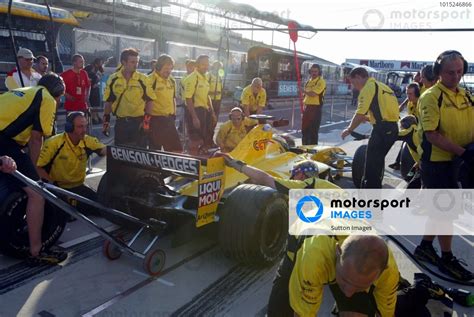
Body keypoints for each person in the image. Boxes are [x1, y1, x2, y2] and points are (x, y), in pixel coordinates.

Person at [414, 50, 474, 282]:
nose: (456, 76)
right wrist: (463, 153)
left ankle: (425, 246)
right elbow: (432, 135)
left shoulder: (465, 94)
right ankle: (447, 257)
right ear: (438, 72)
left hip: (460, 160)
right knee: (445, 210)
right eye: (450, 72)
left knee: (440, 210)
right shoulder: (430, 97)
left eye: (460, 71)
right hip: (438, 163)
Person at [0, 73, 67, 265]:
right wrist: (34, 172)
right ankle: (36, 251)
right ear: (57, 93)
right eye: (60, 97)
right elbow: (37, 138)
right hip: (5, 142)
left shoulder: (20, 91)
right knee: (36, 194)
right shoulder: (47, 98)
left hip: (6, 140)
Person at [267, 235, 400, 317]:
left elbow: (386, 314)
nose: (348, 293)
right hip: (301, 252)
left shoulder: (389, 273)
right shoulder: (314, 257)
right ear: (338, 252)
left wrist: (345, 280)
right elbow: (303, 314)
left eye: (360, 287)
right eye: (345, 280)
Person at [37, 112, 106, 216]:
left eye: (85, 126)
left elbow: (105, 151)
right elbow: (39, 168)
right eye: (80, 127)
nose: (84, 130)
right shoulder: (53, 143)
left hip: (79, 187)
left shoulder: (87, 140)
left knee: (103, 209)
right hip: (58, 188)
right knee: (62, 214)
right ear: (69, 127)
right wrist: (53, 187)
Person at [341, 67, 399, 188]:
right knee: (375, 168)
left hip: (381, 131)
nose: (353, 86)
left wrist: (349, 129)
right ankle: (372, 200)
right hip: (392, 129)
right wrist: (368, 118)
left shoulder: (368, 88)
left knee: (371, 172)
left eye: (353, 82)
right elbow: (387, 113)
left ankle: (371, 203)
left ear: (358, 77)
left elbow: (359, 113)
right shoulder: (383, 86)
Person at [102, 48, 157, 146]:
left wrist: (146, 122)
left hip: (138, 123)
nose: (136, 64)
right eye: (132, 62)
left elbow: (150, 101)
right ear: (124, 62)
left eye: (137, 62)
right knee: (120, 156)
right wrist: (106, 123)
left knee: (139, 156)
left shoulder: (143, 79)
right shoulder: (113, 79)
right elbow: (108, 101)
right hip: (121, 123)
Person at [146, 54, 182, 152]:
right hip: (155, 120)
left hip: (169, 120)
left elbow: (173, 99)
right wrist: (146, 122)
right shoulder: (149, 80)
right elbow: (145, 102)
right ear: (158, 66)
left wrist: (174, 115)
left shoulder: (172, 80)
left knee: (176, 150)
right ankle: (153, 168)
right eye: (166, 68)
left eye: (170, 68)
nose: (169, 71)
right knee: (155, 151)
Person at [184, 55, 216, 155]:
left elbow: (207, 96)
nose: (206, 67)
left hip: (205, 111)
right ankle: (192, 162)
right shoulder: (192, 78)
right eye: (203, 64)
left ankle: (202, 161)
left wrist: (212, 112)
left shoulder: (205, 77)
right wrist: (194, 117)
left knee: (205, 138)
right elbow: (188, 98)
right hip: (195, 111)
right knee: (195, 140)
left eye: (207, 64)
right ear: (197, 65)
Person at [390, 83, 421, 170]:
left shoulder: (422, 103)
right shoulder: (409, 104)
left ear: (417, 94)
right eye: (407, 93)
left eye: (410, 94)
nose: (408, 96)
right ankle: (399, 163)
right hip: (413, 129)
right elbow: (410, 121)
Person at [302, 64, 326, 145]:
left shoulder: (321, 81)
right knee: (305, 130)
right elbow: (305, 96)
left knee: (313, 131)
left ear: (319, 72)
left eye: (315, 71)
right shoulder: (308, 81)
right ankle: (304, 147)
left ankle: (313, 150)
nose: (314, 73)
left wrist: (303, 91)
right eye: (312, 71)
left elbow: (313, 94)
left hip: (316, 108)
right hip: (307, 108)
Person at [84, 58, 104, 124]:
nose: (102, 64)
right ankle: (93, 117)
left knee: (96, 103)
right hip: (91, 88)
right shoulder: (90, 67)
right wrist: (93, 82)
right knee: (92, 102)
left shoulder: (98, 69)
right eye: (101, 62)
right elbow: (90, 76)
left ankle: (96, 116)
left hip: (95, 87)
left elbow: (99, 76)